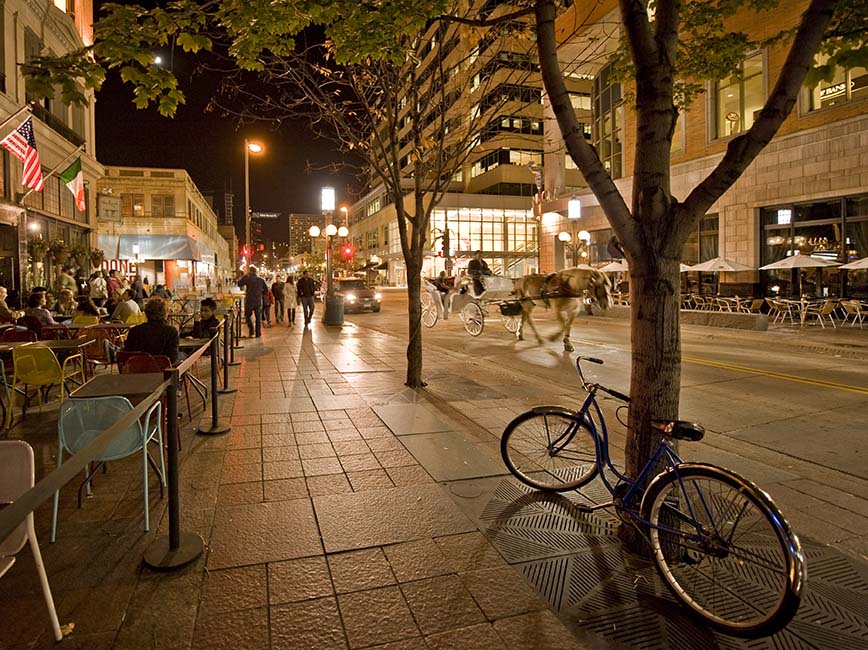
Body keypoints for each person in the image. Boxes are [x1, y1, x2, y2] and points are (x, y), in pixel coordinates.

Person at [123, 297, 180, 364]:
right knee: (184, 355)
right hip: (162, 370)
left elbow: (127, 355)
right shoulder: (171, 332)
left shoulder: (134, 331)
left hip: (138, 369)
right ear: (165, 314)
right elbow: (172, 358)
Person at [237, 265, 268, 337]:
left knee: (247, 316)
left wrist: (245, 275)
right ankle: (258, 333)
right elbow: (266, 290)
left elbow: (239, 284)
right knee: (258, 318)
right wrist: (260, 293)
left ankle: (251, 331)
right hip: (258, 301)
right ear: (256, 272)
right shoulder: (261, 280)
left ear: (250, 272)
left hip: (249, 301)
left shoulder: (248, 279)